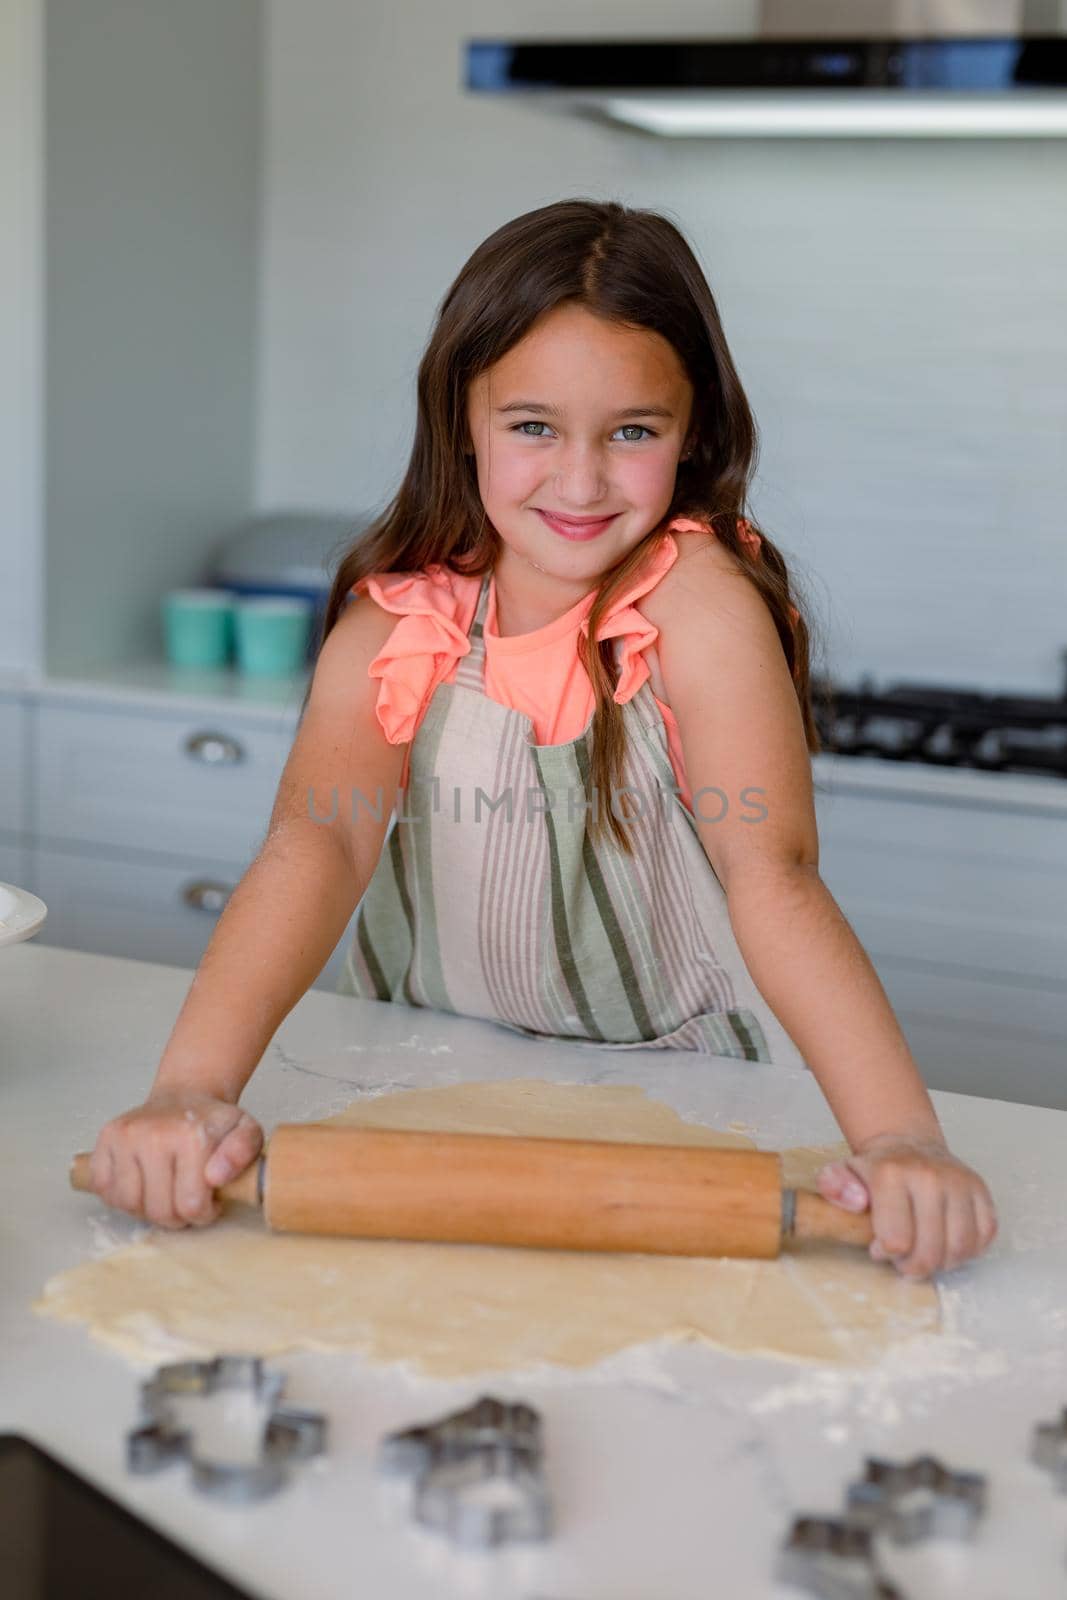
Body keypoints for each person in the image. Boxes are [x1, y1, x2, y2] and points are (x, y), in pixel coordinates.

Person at [88, 198, 997, 1282]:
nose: (579, 482)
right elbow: (314, 848)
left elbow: (775, 874)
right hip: (415, 1073)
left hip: (685, 1089)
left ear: (691, 428)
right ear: (459, 420)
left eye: (630, 431)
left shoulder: (695, 606)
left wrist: (900, 1138)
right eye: (531, 426)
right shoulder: (401, 620)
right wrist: (191, 1091)